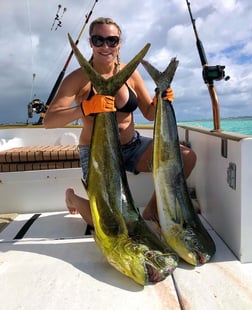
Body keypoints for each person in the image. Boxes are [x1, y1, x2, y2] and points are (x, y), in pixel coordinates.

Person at [44, 17, 196, 226]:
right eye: (98, 40)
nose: (105, 46)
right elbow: (49, 121)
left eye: (112, 40)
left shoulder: (131, 73)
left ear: (119, 43)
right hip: (98, 152)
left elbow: (150, 114)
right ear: (91, 43)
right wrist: (86, 108)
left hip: (132, 147)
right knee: (107, 224)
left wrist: (160, 100)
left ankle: (151, 211)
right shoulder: (78, 78)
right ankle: (74, 199)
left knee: (187, 157)